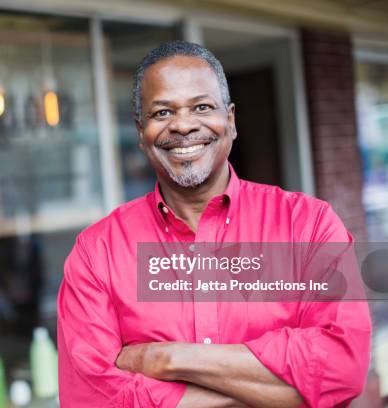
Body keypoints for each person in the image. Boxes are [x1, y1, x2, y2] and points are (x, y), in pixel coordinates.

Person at [56, 41, 372, 407]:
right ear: (141, 132)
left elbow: (343, 367)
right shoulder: (98, 252)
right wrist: (279, 392)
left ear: (231, 121)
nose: (184, 125)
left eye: (202, 107)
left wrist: (163, 360)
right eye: (162, 112)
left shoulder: (309, 225)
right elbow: (91, 399)